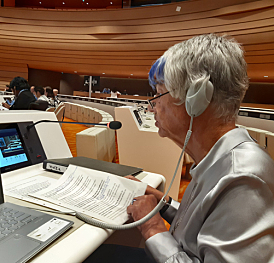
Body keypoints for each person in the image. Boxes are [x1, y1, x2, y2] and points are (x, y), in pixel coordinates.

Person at [84, 34, 274, 263]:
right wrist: (162, 204)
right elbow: (200, 224)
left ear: (197, 99)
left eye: (158, 94)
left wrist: (152, 229)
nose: (152, 106)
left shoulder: (244, 179)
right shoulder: (219, 156)